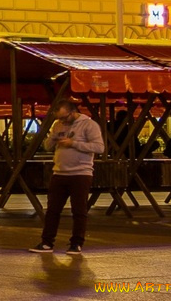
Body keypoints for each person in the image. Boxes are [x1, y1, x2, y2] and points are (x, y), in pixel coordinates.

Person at [32, 99, 104, 254]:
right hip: (59, 172)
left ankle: (76, 243)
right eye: (59, 118)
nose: (62, 121)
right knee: (52, 210)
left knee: (79, 210)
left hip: (81, 173)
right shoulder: (58, 125)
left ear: (73, 112)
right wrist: (52, 137)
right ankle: (47, 243)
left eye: (64, 117)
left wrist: (73, 143)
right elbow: (47, 146)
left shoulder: (89, 125)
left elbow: (99, 147)